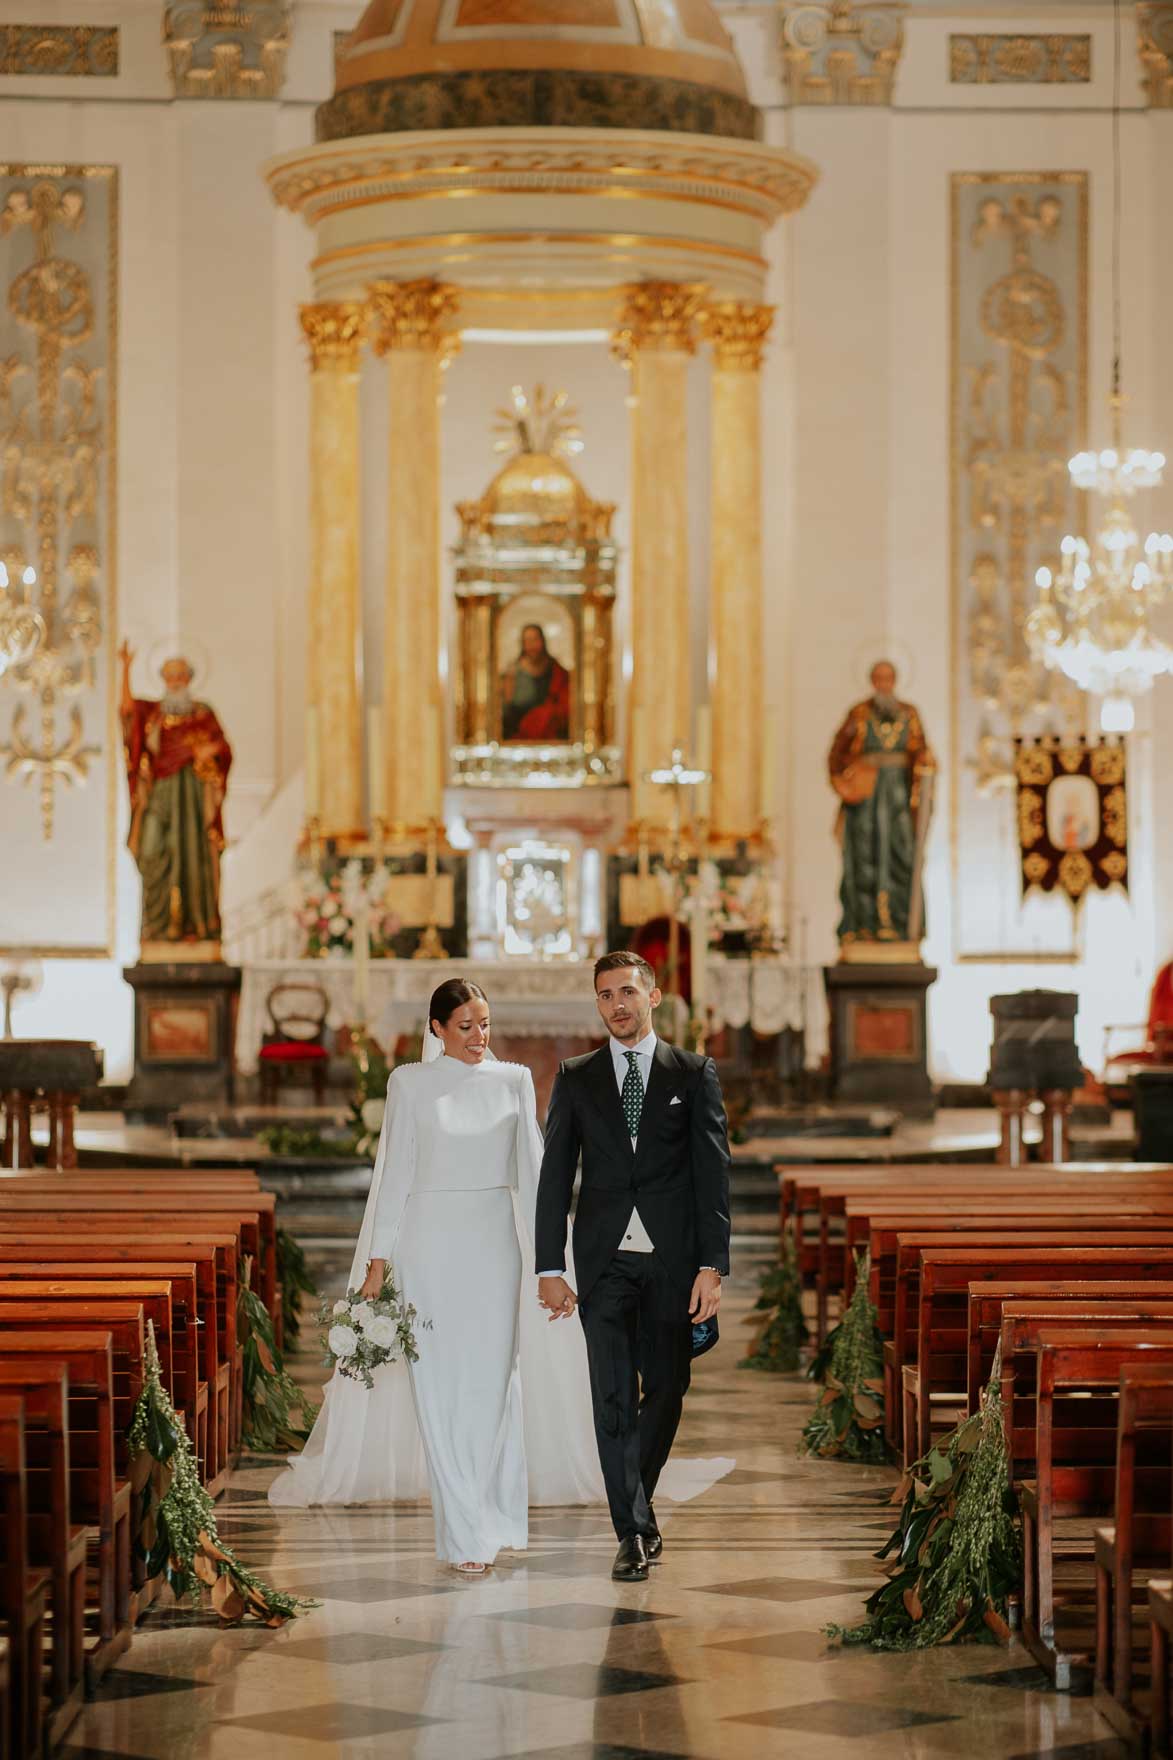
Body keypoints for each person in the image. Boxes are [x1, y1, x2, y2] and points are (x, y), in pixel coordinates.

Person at [269, 978, 601, 1572]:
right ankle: (465, 1532)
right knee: (440, 1388)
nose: (479, 1037)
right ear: (437, 1030)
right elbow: (395, 1173)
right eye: (466, 1026)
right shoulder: (410, 1084)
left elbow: (534, 1177)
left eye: (485, 1024)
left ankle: (495, 1516)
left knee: (495, 1385)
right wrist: (378, 1264)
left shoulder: (515, 1080)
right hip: (429, 1245)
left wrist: (550, 1265)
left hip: (495, 1245)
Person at [535, 951, 732, 1583]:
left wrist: (712, 1265)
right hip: (603, 1263)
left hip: (673, 1262)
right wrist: (549, 1265)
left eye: (626, 992)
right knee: (613, 1399)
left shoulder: (694, 1073)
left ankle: (634, 1505)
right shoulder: (576, 1075)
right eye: (604, 995)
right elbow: (554, 1176)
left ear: (652, 996)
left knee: (668, 1391)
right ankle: (635, 1533)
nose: (616, 1005)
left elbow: (713, 1176)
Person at [118, 643, 232, 948]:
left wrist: (208, 751)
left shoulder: (203, 713)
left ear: (190, 678)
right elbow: (128, 714)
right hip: (161, 794)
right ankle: (156, 926)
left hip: (192, 799)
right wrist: (125, 668)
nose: (176, 681)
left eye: (181, 675)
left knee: (194, 858)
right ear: (163, 681)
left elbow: (222, 748)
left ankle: (196, 924)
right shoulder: (154, 714)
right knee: (152, 849)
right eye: (170, 676)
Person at [827, 658, 935, 949]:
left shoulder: (909, 715)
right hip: (866, 799)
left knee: (900, 853)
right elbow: (837, 753)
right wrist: (844, 783)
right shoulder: (859, 714)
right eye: (878, 678)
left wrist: (925, 765)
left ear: (895, 681)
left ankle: (900, 923)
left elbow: (923, 752)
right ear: (872, 682)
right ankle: (863, 924)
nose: (883, 684)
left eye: (888, 678)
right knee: (864, 856)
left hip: (898, 796)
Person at [500, 622, 570, 742]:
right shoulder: (512, 672)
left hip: (551, 739)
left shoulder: (556, 670)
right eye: (527, 641)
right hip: (519, 738)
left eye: (535, 640)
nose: (532, 646)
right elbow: (506, 712)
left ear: (542, 641)